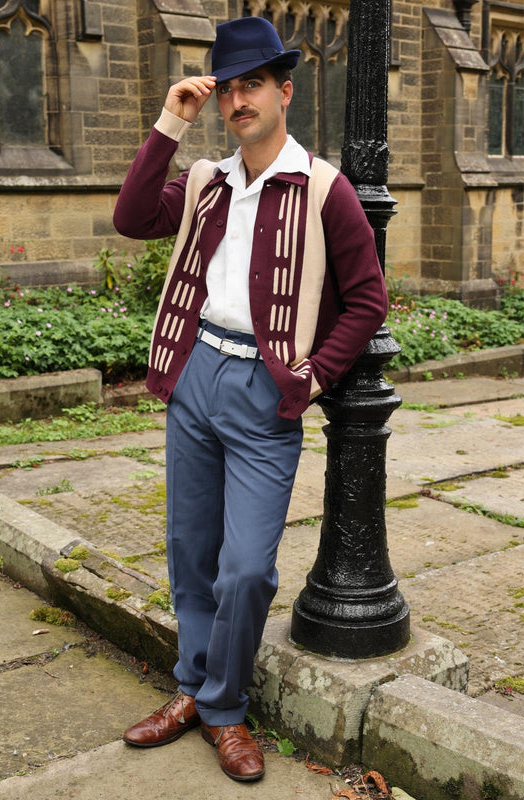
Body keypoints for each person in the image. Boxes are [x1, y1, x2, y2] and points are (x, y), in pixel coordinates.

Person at [113, 15, 388, 783]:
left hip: (267, 394)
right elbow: (131, 218)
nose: (239, 101)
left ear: (283, 91)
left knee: (245, 569)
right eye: (228, 88)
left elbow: (368, 301)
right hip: (196, 371)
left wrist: (308, 376)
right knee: (189, 552)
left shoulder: (326, 188)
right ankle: (194, 691)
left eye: (252, 85)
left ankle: (225, 707)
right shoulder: (206, 182)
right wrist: (174, 119)